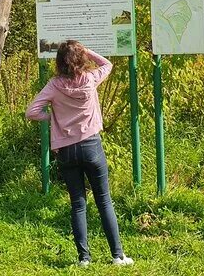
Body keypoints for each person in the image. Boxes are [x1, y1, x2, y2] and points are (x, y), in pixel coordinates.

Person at [26, 40, 134, 268]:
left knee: (77, 203)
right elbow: (107, 64)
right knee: (104, 201)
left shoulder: (54, 85)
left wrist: (52, 118)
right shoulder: (90, 79)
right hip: (91, 146)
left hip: (66, 150)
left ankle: (84, 259)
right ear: (81, 59)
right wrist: (87, 51)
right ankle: (118, 256)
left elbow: (32, 111)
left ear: (59, 62)